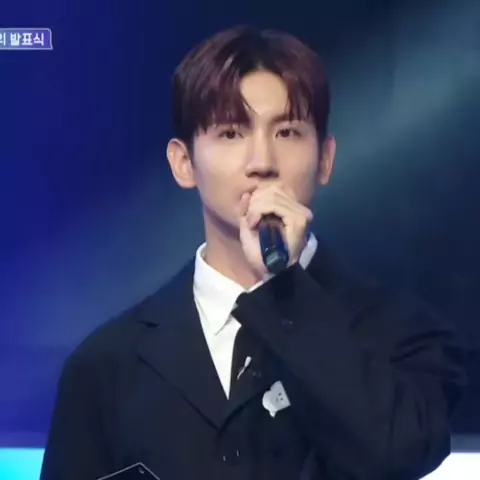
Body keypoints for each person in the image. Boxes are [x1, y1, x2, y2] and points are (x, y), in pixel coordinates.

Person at [40, 25, 466, 480]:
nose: (262, 162)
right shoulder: (107, 365)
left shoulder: (402, 334)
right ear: (184, 163)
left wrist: (284, 288)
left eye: (287, 132)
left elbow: (399, 453)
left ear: (325, 160)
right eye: (231, 133)